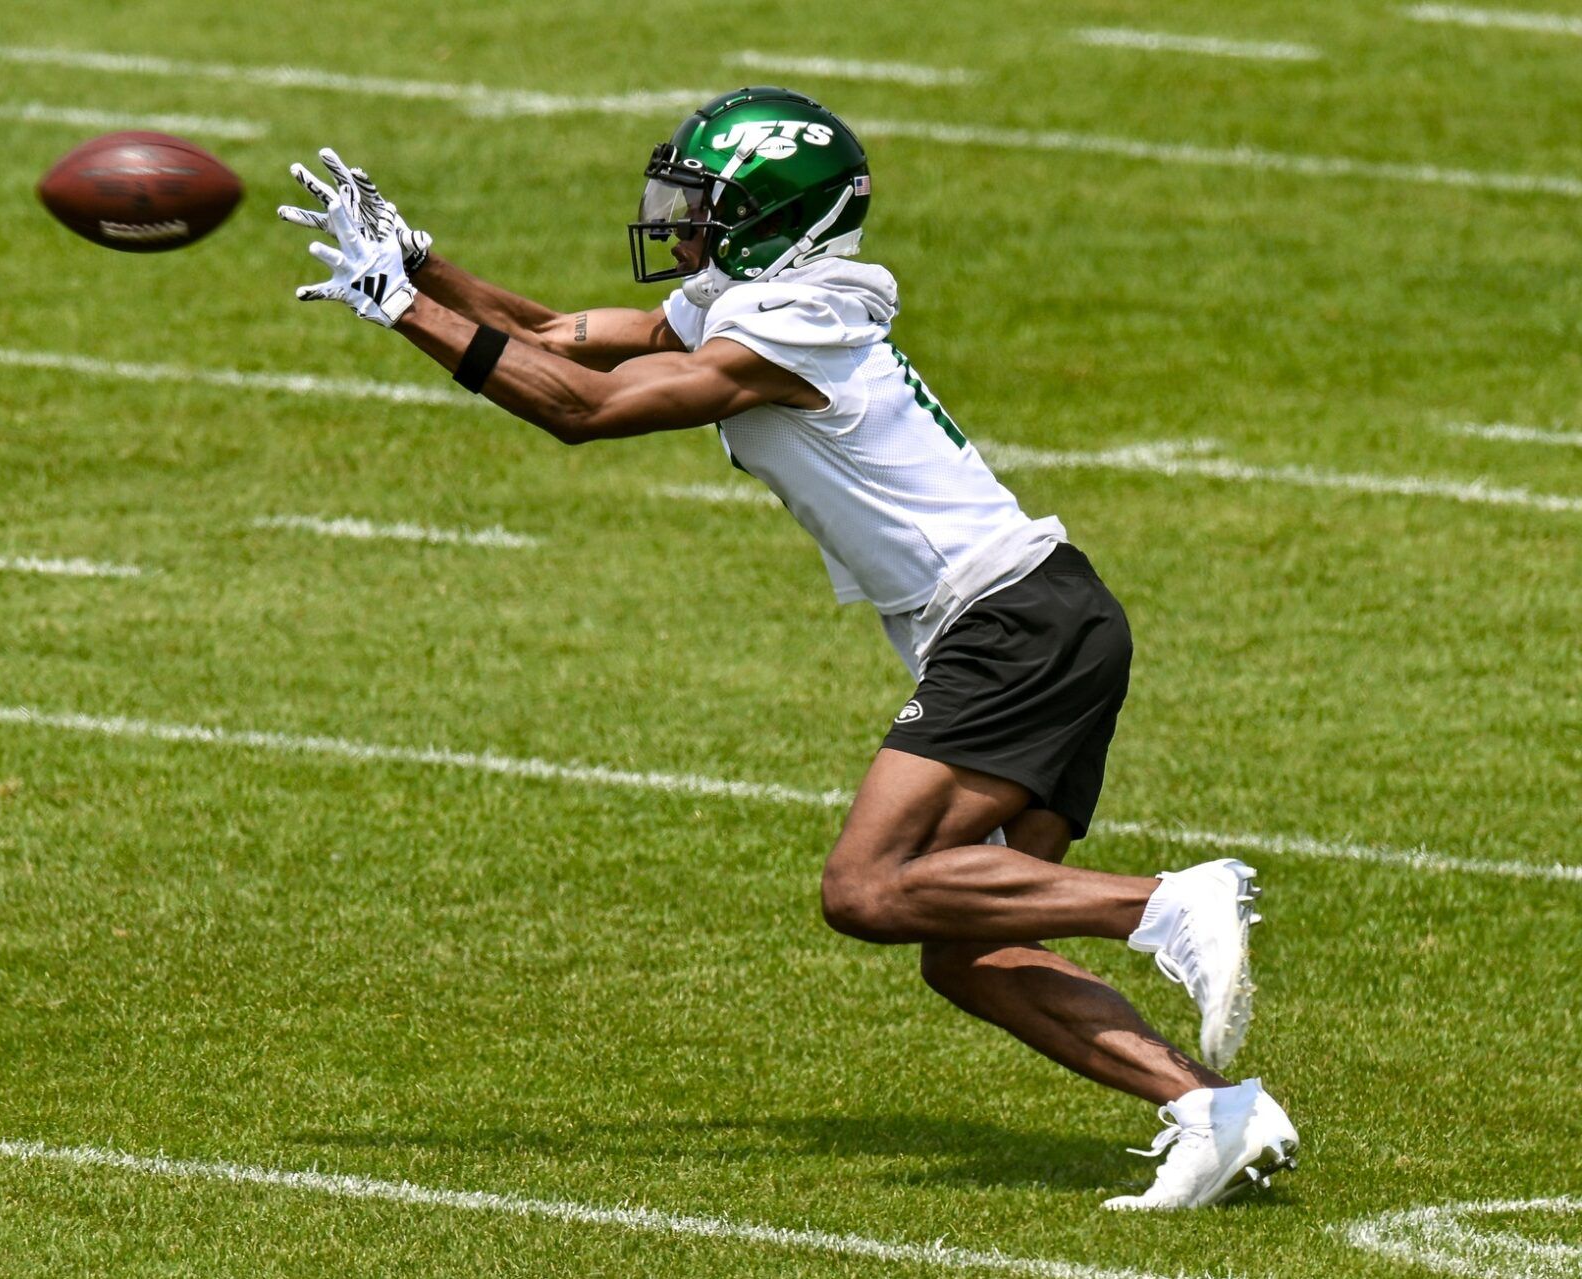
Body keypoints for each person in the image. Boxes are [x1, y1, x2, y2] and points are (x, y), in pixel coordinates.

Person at [277, 86, 1299, 1210]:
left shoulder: (792, 325)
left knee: (868, 886)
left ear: (778, 219)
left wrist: (401, 314)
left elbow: (582, 406)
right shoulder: (765, 299)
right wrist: (424, 270)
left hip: (1012, 625)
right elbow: (564, 333)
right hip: (1042, 620)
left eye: (710, 207)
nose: (685, 224)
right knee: (964, 939)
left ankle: (1161, 903)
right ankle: (1213, 1111)